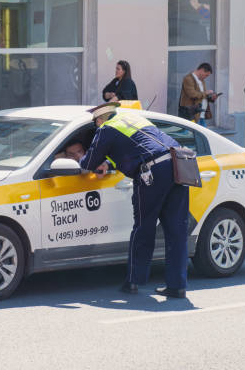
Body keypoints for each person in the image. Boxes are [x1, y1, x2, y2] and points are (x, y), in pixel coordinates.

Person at [79, 102, 190, 298]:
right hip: (179, 163)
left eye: (96, 124)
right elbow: (137, 146)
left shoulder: (106, 129)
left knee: (143, 227)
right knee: (177, 229)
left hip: (153, 171)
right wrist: (109, 162)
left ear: (98, 120)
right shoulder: (134, 119)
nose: (97, 127)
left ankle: (133, 281)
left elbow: (88, 162)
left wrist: (77, 159)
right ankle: (177, 286)